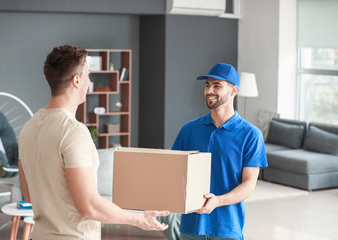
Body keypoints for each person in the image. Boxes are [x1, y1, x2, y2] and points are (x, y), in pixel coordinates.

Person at [18, 44, 169, 239]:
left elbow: (29, 195)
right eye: (89, 74)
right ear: (77, 80)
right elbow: (89, 206)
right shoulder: (73, 131)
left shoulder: (28, 128)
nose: (90, 81)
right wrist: (140, 219)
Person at [161, 63, 268, 240]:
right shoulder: (189, 130)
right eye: (207, 85)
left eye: (217, 85)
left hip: (227, 228)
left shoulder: (251, 135)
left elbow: (249, 185)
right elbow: (172, 172)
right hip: (191, 227)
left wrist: (218, 201)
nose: (209, 90)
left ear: (234, 90)